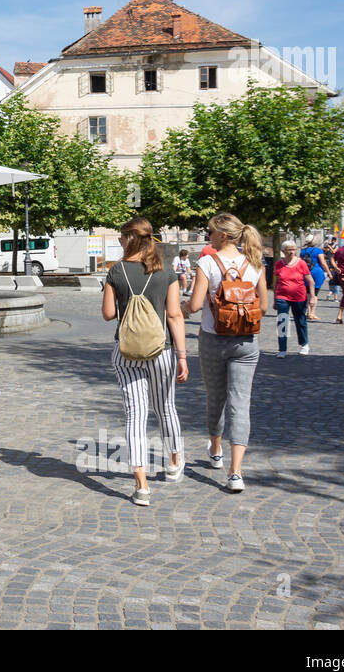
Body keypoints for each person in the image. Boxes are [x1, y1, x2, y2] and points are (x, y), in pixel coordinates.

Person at [101, 218, 187, 506]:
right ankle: (174, 463)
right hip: (161, 351)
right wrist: (183, 356)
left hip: (125, 352)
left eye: (121, 237)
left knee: (135, 415)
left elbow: (108, 314)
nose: (119, 241)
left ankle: (141, 486)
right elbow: (175, 315)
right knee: (166, 408)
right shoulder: (166, 272)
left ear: (130, 238)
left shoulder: (116, 271)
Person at [184, 212, 271, 493]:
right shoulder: (255, 262)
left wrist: (180, 309)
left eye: (210, 231)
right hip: (246, 341)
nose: (208, 235)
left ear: (222, 235)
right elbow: (265, 307)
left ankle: (216, 451)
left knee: (216, 397)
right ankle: (236, 473)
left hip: (213, 339)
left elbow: (196, 305)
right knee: (240, 403)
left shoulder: (207, 262)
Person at [273, 240, 313, 357]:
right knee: (282, 321)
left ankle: (304, 344)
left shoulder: (301, 263)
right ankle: (282, 348)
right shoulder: (279, 264)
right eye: (289, 250)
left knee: (300, 321)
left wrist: (313, 296)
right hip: (282, 296)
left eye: (293, 249)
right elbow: (276, 282)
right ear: (283, 251)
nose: (291, 252)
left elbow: (310, 281)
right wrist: (275, 299)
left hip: (299, 296)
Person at [300, 235, 326, 319]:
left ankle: (308, 312)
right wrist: (329, 272)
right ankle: (312, 313)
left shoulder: (303, 251)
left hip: (306, 273)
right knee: (315, 293)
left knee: (307, 294)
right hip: (317, 272)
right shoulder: (318, 250)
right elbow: (323, 263)